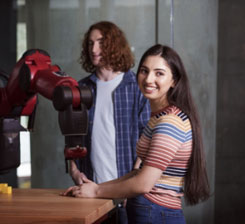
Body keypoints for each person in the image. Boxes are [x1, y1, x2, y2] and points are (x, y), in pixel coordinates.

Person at [63, 44, 211, 224]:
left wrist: (96, 192)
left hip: (156, 212)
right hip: (151, 210)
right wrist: (93, 187)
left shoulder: (169, 122)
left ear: (174, 80)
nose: (148, 79)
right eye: (144, 71)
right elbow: (137, 172)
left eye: (159, 73)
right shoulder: (159, 116)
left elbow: (143, 183)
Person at [69, 21, 151, 223]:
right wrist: (74, 172)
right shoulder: (81, 89)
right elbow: (71, 138)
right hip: (90, 193)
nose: (94, 49)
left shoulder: (136, 87)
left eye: (100, 42)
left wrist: (129, 184)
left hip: (129, 197)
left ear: (114, 45)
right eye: (90, 44)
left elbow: (147, 138)